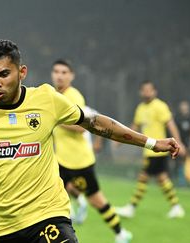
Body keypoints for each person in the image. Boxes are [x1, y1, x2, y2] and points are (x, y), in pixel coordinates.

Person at [0, 39, 180, 243]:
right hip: (4, 227)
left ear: (22, 73)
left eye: (3, 74)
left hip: (49, 215)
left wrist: (152, 143)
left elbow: (96, 122)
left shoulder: (46, 99)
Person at [51, 59, 132, 243]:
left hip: (79, 162)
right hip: (61, 160)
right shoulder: (54, 95)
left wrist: (56, 120)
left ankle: (121, 233)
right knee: (55, 193)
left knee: (98, 201)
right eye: (56, 71)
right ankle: (76, 206)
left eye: (64, 72)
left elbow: (81, 127)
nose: (59, 75)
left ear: (71, 76)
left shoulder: (74, 96)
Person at [116, 81, 186, 219]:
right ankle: (176, 206)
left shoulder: (160, 106)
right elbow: (134, 127)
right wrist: (120, 138)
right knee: (162, 178)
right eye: (144, 90)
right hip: (148, 149)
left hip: (158, 148)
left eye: (149, 90)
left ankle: (131, 207)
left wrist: (179, 143)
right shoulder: (140, 108)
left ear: (155, 91)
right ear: (141, 92)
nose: (147, 92)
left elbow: (170, 124)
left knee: (143, 177)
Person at [173, 100, 190, 186]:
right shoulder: (177, 118)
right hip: (178, 143)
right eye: (182, 106)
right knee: (179, 162)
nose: (184, 108)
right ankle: (181, 182)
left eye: (185, 106)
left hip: (188, 143)